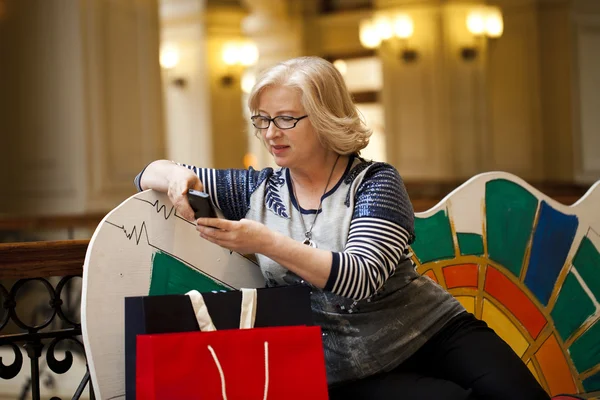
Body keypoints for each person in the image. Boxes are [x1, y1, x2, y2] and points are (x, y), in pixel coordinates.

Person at [135, 56, 550, 400]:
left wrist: (266, 242)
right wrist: (173, 177)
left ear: (324, 117)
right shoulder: (257, 188)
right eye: (262, 120)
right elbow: (147, 172)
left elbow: (359, 278)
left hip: (433, 331)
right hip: (346, 370)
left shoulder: (375, 182)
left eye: (285, 119)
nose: (270, 134)